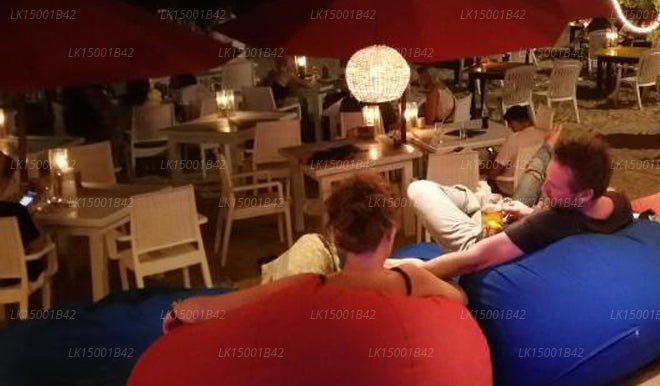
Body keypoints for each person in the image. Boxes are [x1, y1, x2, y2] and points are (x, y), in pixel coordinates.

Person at [164, 173, 464, 330]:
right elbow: (459, 299)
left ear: (336, 233)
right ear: (391, 232)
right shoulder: (411, 280)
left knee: (307, 246)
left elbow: (206, 308)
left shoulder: (304, 285)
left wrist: (177, 311)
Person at [407, 128, 632, 279]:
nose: (545, 189)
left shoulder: (552, 222)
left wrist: (411, 273)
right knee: (529, 177)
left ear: (584, 195)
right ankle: (484, 197)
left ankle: (481, 198)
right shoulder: (620, 204)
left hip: (478, 236)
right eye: (548, 181)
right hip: (511, 213)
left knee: (419, 188)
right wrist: (528, 212)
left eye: (554, 186)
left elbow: (473, 259)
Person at [0, 154, 51, 283]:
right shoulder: (14, 211)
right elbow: (37, 246)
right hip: (12, 278)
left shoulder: (12, 208)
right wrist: (30, 211)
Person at [487, 105, 545, 182]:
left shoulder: (513, 140)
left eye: (510, 123)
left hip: (511, 183)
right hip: (537, 180)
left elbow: (495, 170)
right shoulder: (544, 135)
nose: (509, 126)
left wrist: (488, 177)